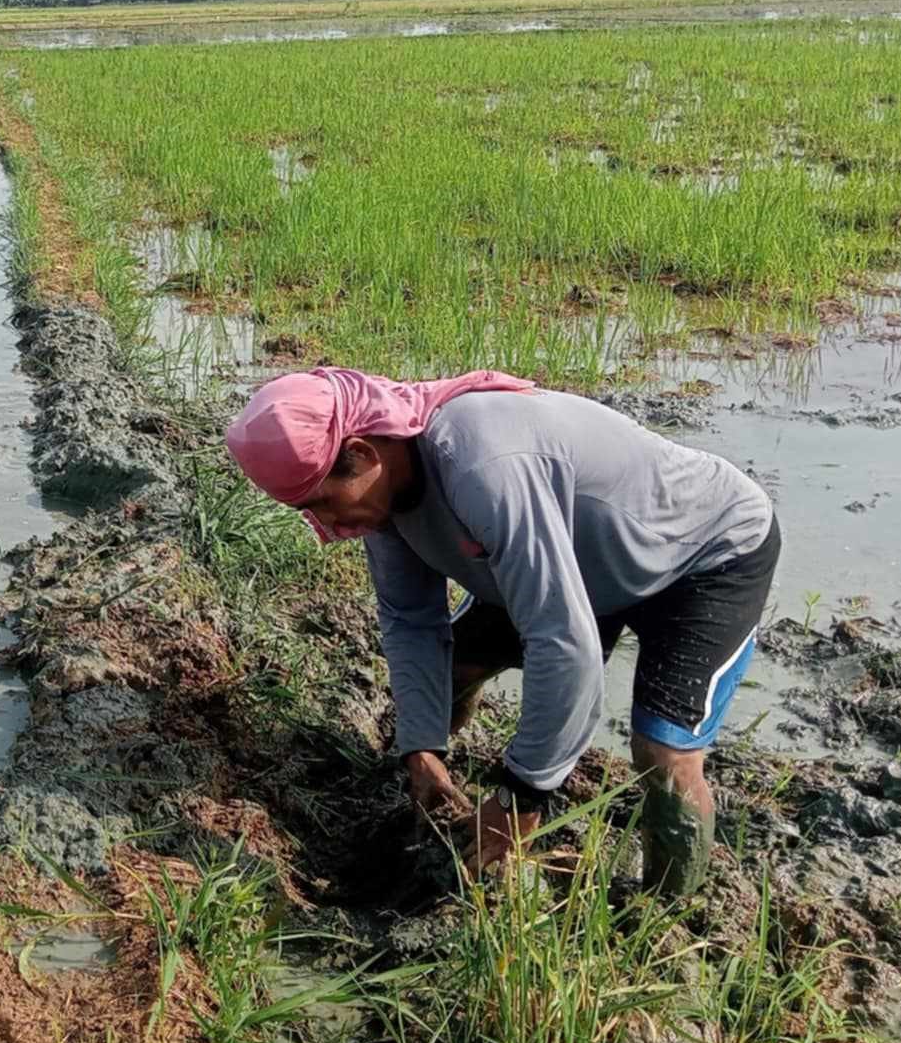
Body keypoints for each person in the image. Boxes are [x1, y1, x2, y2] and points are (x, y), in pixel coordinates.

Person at [224, 367, 778, 896]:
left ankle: (670, 913)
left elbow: (563, 642)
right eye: (307, 511)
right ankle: (436, 789)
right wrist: (420, 744)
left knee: (663, 752)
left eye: (324, 503)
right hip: (578, 562)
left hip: (702, 555)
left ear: (364, 453)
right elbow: (411, 620)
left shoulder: (481, 466)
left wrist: (522, 795)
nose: (330, 528)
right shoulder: (384, 495)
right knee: (451, 671)